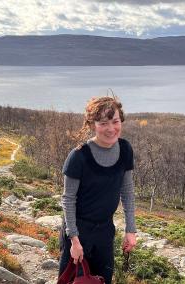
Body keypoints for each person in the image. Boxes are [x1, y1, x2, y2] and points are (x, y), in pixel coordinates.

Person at [58, 96, 137, 284]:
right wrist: (75, 241)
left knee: (103, 279)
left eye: (115, 121)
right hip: (78, 229)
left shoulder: (125, 149)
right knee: (73, 281)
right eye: (103, 123)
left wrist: (130, 230)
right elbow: (68, 199)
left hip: (105, 230)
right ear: (93, 125)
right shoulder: (78, 156)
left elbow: (127, 191)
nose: (111, 129)